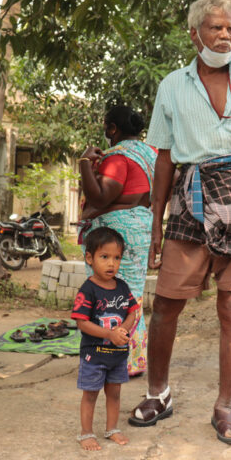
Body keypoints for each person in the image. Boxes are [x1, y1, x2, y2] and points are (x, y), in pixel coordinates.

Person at [127, 0, 231, 445]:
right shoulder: (172, 86)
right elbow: (163, 157)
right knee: (166, 304)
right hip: (191, 192)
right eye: (215, 27)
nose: (224, 36)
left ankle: (224, 405)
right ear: (194, 33)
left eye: (230, 29)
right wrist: (156, 221)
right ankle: (158, 393)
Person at [77, 105, 157, 377]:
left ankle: (109, 358)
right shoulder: (152, 153)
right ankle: (133, 360)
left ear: (113, 129)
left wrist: (85, 164)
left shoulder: (118, 158)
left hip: (113, 236)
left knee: (107, 297)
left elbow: (100, 197)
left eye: (106, 128)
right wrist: (133, 201)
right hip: (140, 231)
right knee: (132, 297)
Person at [72, 227, 139, 451]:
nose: (111, 263)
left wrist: (124, 330)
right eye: (104, 257)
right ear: (89, 258)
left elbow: (132, 311)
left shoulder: (122, 286)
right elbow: (82, 322)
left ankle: (112, 429)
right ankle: (86, 433)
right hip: (94, 356)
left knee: (115, 393)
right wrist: (109, 334)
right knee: (90, 395)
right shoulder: (88, 290)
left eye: (116, 258)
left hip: (118, 356)